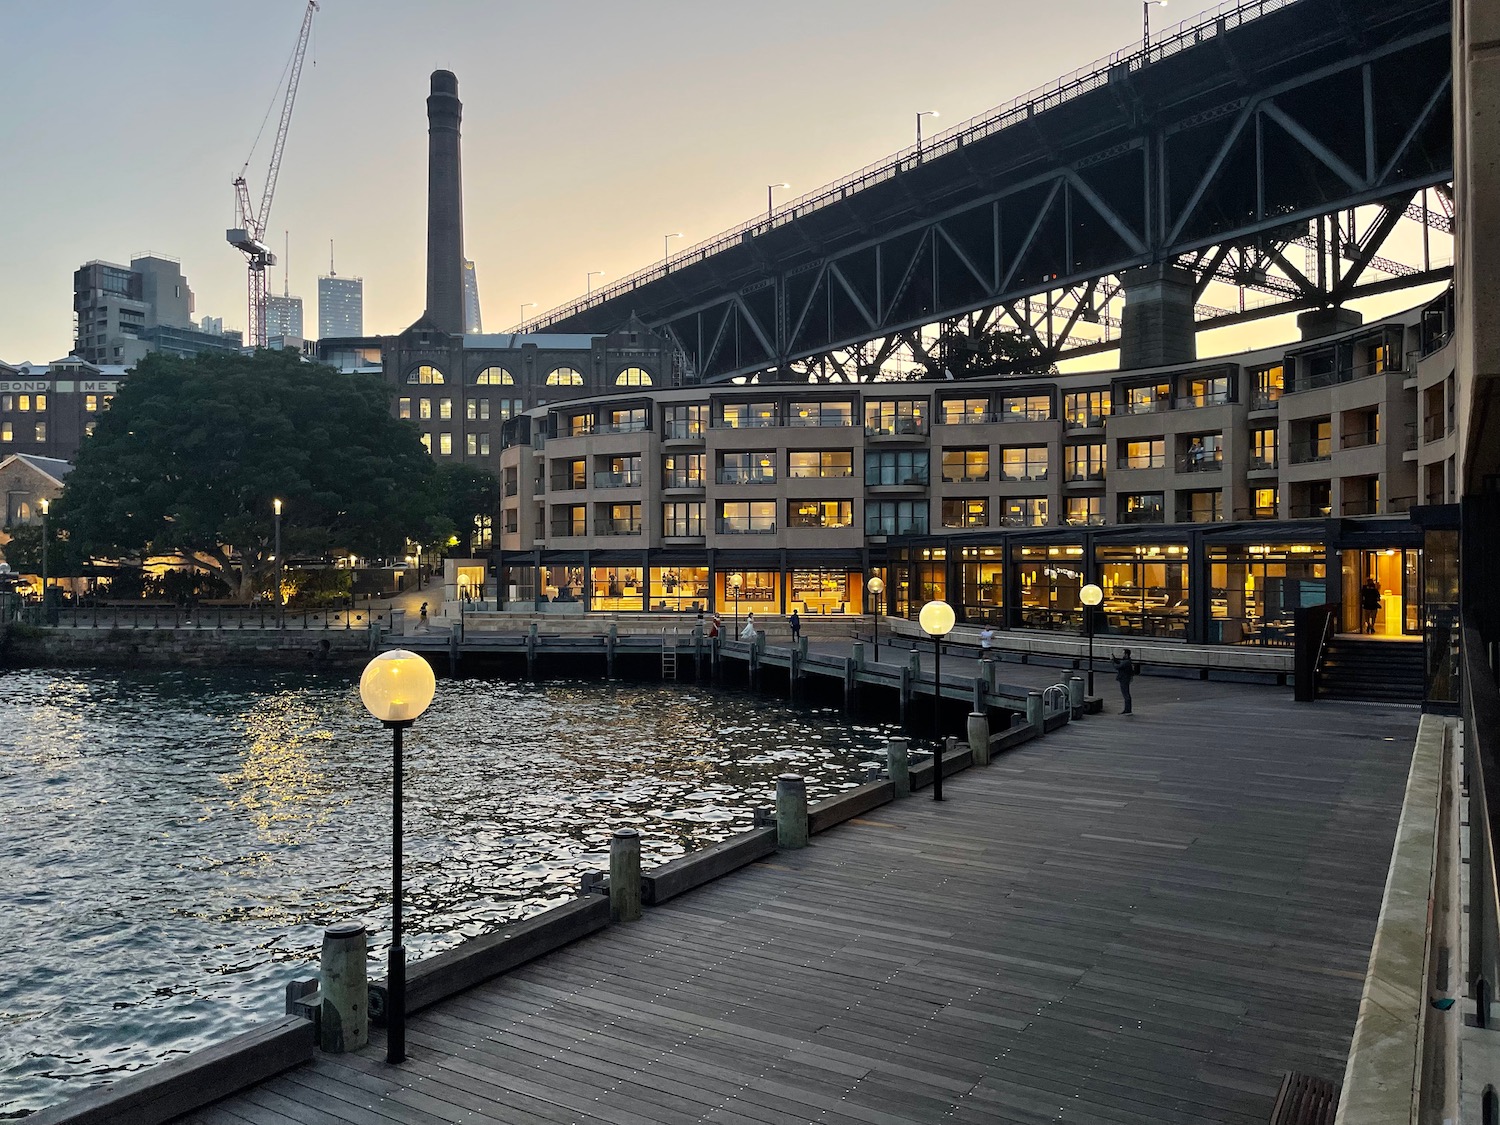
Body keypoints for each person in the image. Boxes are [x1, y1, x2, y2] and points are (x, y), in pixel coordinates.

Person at [1112, 648, 1137, 714]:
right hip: (1125, 679)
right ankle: (1127, 709)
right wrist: (1115, 660)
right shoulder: (1127, 661)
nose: (1122, 654)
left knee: (1126, 694)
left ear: (1126, 654)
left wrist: (1112, 661)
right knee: (1126, 693)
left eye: (1123, 653)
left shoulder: (1126, 662)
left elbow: (1118, 666)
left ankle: (1127, 709)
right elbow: (1120, 663)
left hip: (1124, 679)